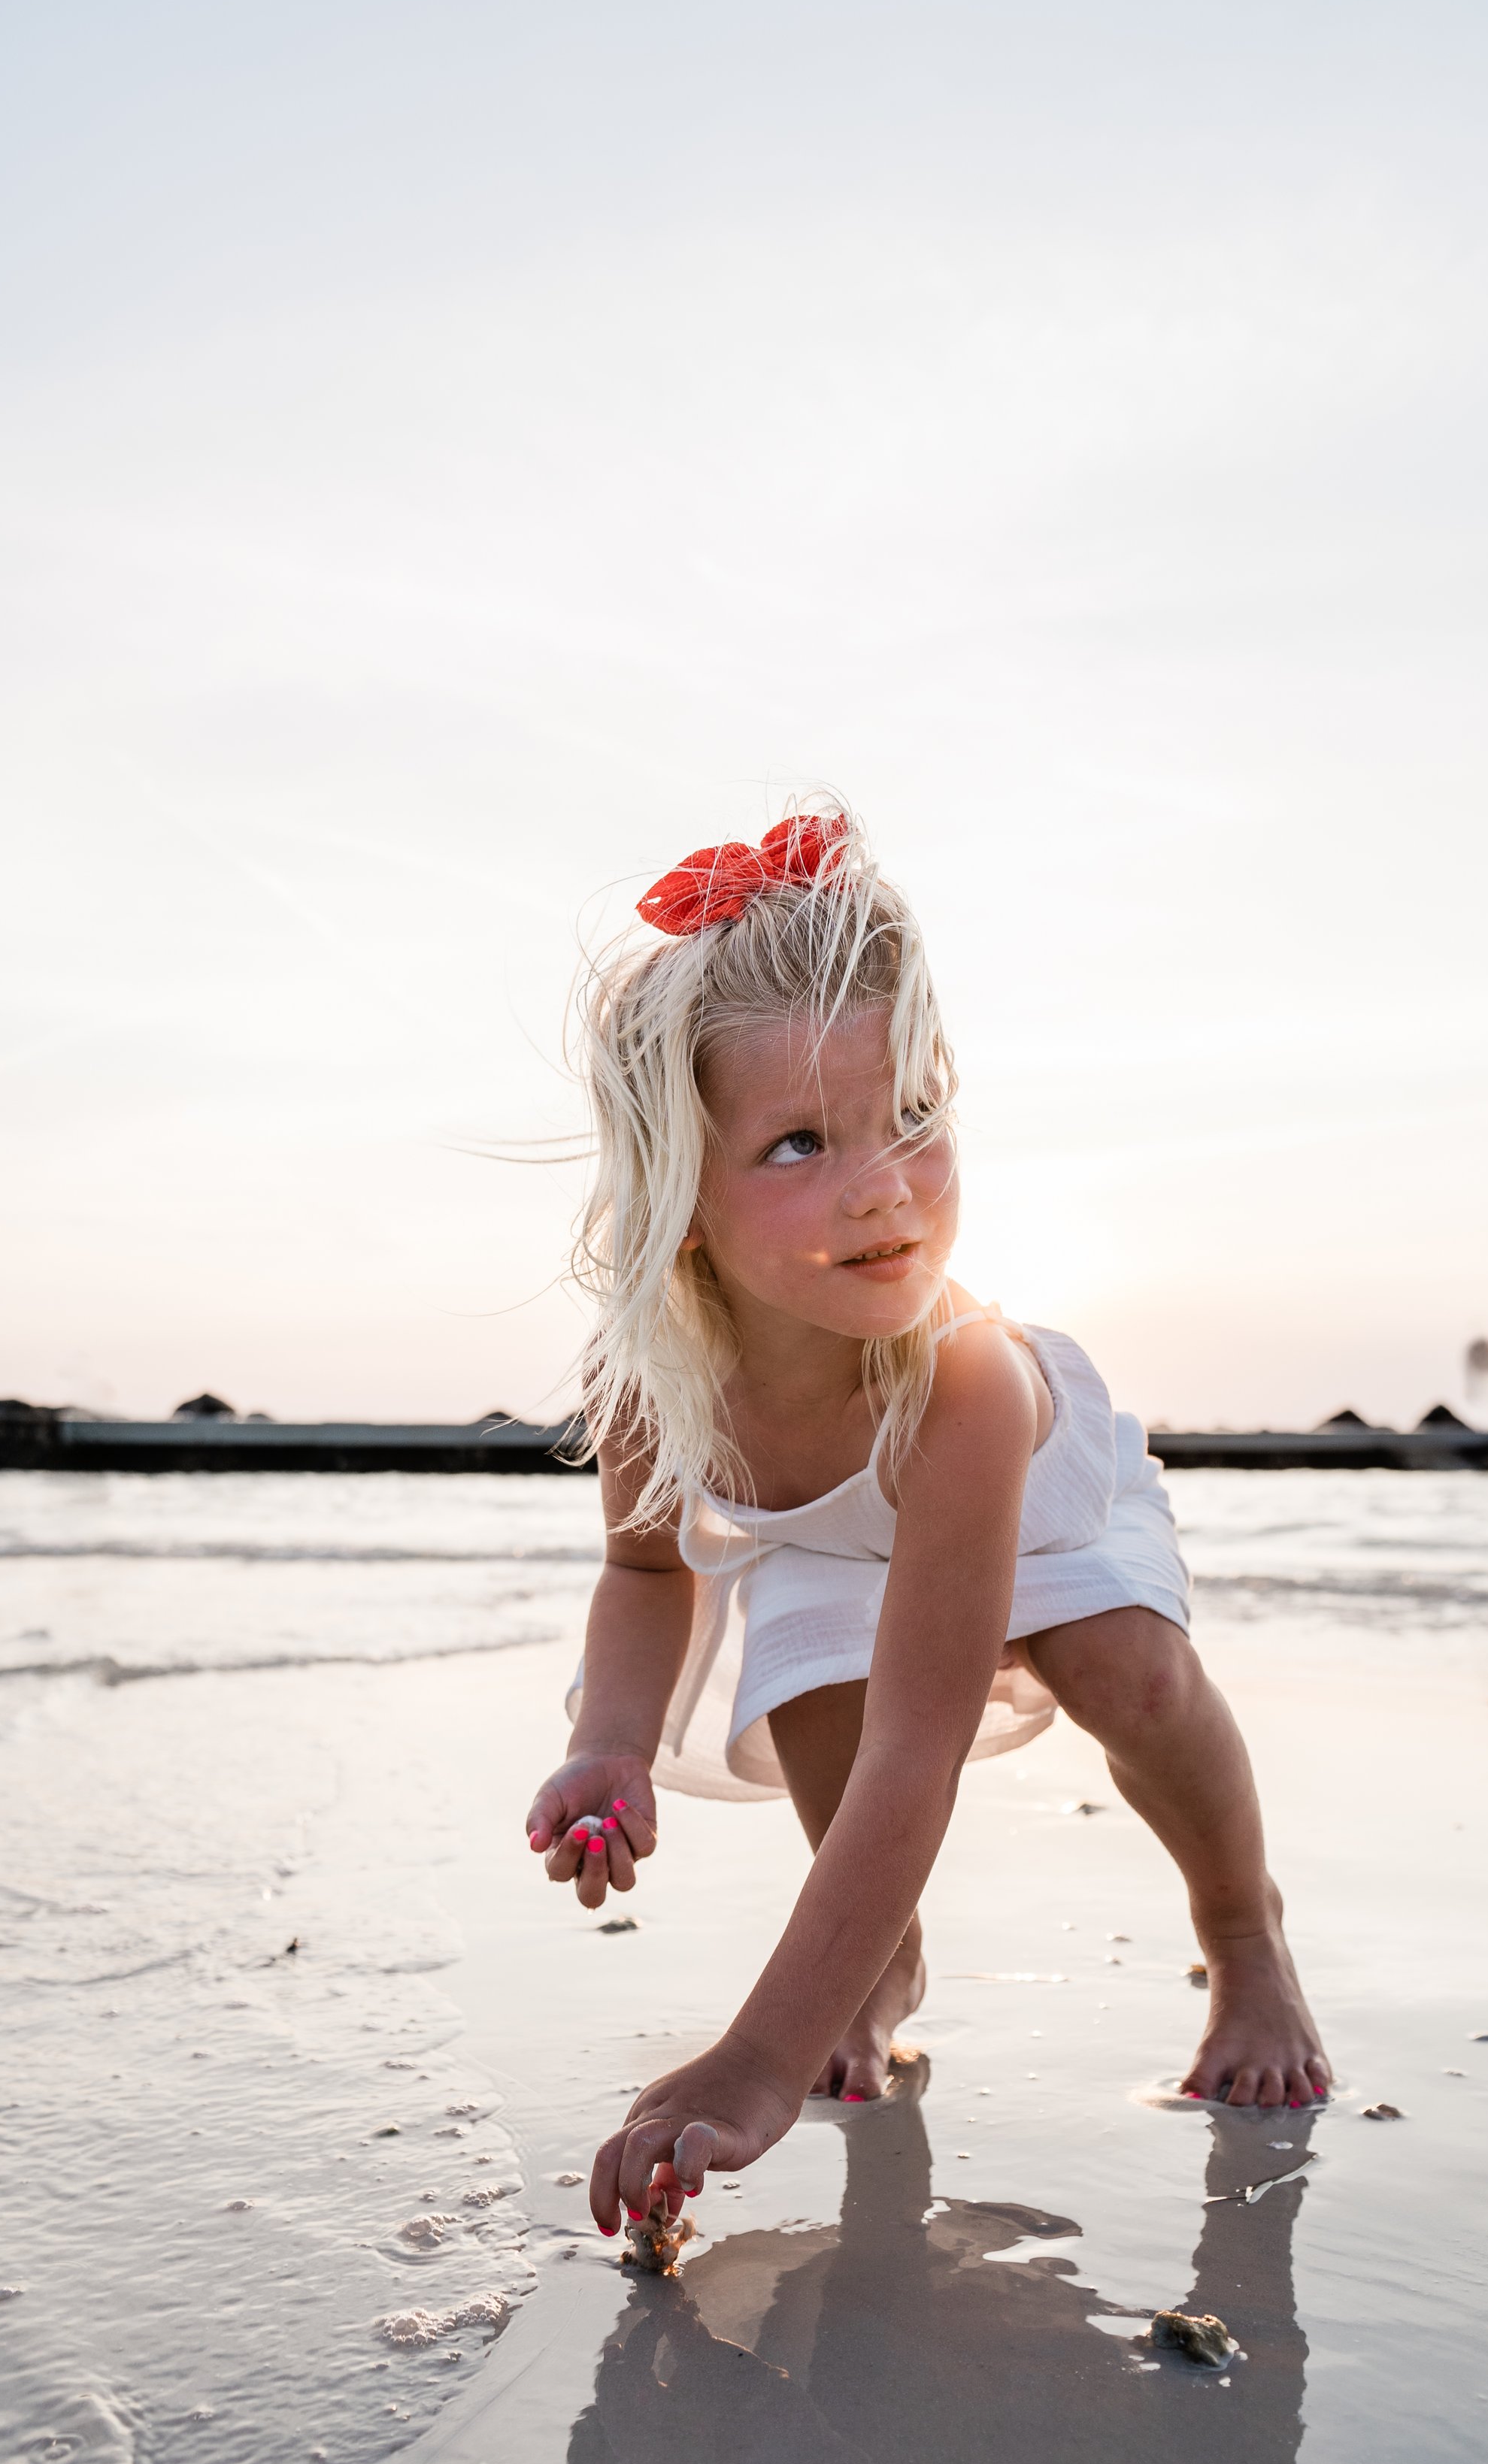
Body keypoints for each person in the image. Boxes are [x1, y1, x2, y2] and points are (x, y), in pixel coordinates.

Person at [522, 806, 1330, 2239]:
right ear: (681, 1199)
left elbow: (925, 1742)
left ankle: (1244, 1931)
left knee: (1122, 1677)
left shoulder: (967, 1378)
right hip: (840, 1540)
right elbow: (648, 1570)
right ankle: (877, 1966)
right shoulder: (649, 1376)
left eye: (912, 1113)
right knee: (816, 1687)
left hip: (1037, 1509)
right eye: (797, 1144)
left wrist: (758, 2061)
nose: (886, 1178)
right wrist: (609, 1742)